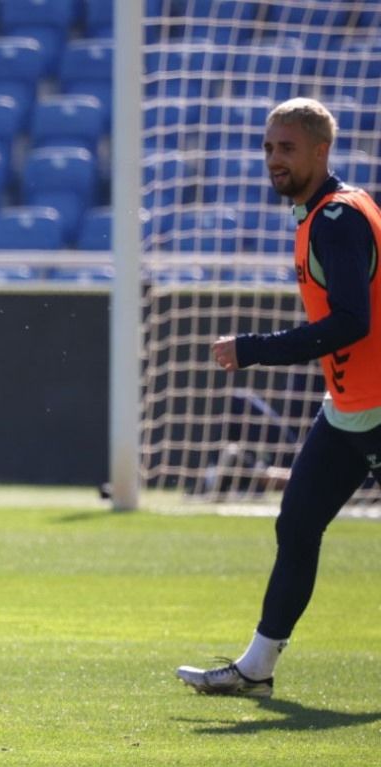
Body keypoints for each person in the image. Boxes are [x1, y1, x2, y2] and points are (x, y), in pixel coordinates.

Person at [178, 97, 381, 695]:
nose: (273, 159)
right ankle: (256, 670)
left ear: (322, 151)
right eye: (268, 147)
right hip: (349, 409)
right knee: (296, 526)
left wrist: (254, 348)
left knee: (297, 527)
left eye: (286, 147)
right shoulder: (328, 211)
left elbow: (352, 321)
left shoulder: (338, 219)